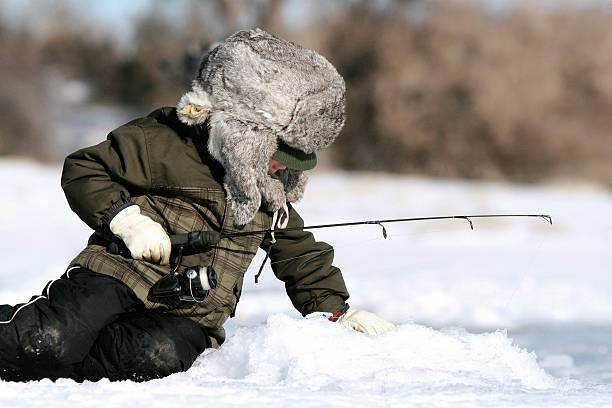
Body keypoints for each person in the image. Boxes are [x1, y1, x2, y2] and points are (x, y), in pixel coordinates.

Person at [0, 29, 394, 383]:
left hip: (189, 314)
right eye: (281, 153)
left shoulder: (269, 190)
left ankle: (58, 363)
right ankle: (41, 350)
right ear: (246, 131)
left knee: (153, 357)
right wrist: (126, 220)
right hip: (119, 274)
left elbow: (300, 255)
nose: (284, 169)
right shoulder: (166, 141)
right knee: (45, 340)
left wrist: (335, 313)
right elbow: (84, 169)